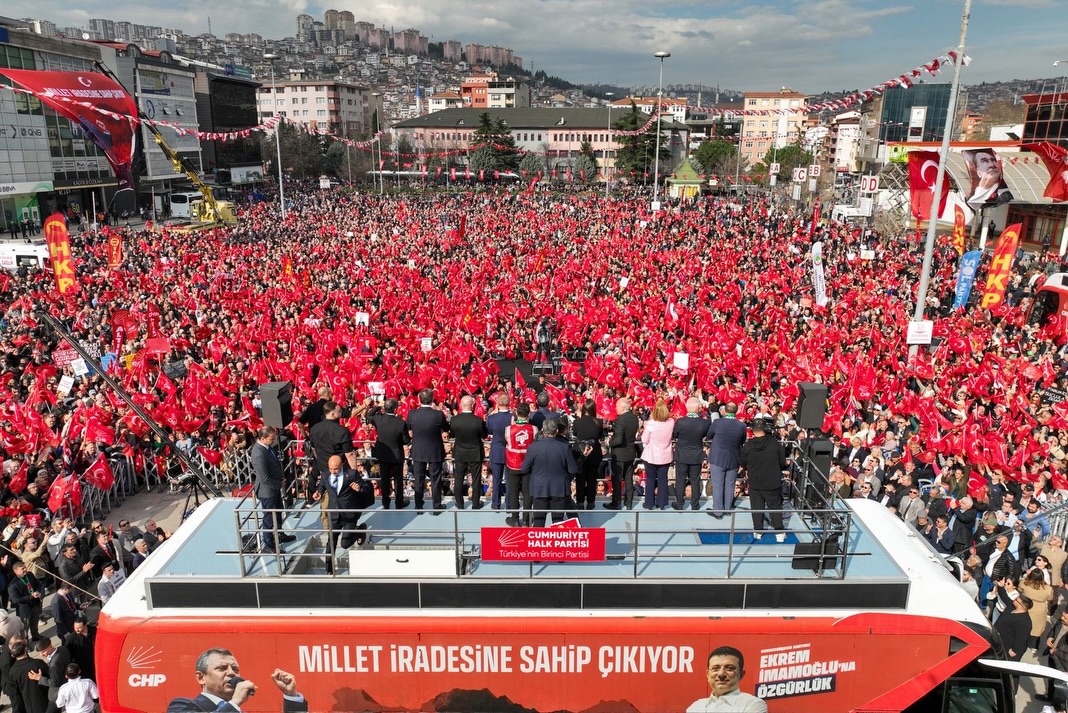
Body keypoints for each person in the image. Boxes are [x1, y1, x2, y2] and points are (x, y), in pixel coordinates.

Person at [166, 647, 308, 712]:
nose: (232, 673)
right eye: (222, 668)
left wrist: (291, 697)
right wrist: (235, 703)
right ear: (201, 677)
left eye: (235, 669)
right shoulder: (181, 706)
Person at [521, 419, 578, 527]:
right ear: (556, 431)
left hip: (539, 488)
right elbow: (573, 469)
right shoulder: (564, 447)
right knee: (558, 522)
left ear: (542, 430)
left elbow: (524, 468)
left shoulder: (533, 447)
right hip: (559, 489)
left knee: (538, 521)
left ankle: (538, 543)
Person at [738, 420, 788, 542]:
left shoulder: (748, 446)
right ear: (765, 429)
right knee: (775, 507)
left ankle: (758, 531)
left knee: (756, 507)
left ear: (752, 430)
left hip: (755, 482)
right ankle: (779, 533)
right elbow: (782, 462)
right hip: (772, 481)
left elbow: (743, 463)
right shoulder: (775, 443)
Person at [313, 455, 368, 558]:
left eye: (336, 469)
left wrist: (359, 488)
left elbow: (366, 487)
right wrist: (319, 493)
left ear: (341, 465)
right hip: (334, 514)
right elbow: (321, 487)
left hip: (349, 514)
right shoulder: (325, 475)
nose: (333, 471)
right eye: (330, 469)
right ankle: (329, 570)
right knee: (331, 542)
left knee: (345, 544)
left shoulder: (351, 474)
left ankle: (360, 530)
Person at [251, 426, 295, 552]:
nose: (274, 441)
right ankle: (269, 544)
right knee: (269, 517)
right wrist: (278, 484)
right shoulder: (259, 453)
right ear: (262, 438)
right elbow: (265, 478)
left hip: (274, 487)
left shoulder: (267, 447)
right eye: (271, 438)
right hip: (267, 491)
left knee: (278, 512)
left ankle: (279, 534)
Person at [686, 645, 767, 712]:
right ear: (707, 674)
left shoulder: (753, 704)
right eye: (715, 668)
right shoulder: (695, 707)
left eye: (729, 668)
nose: (721, 674)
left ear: (741, 674)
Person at [407, 389, 450, 512]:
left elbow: (407, 428)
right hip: (434, 451)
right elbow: (446, 428)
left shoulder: (412, 414)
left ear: (419, 399)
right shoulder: (438, 414)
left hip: (418, 451)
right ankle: (436, 506)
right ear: (432, 400)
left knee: (419, 479)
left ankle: (418, 506)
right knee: (435, 479)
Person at [308, 401, 359, 501]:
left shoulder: (314, 429)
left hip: (324, 469)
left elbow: (314, 449)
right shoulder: (342, 431)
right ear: (332, 414)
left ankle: (328, 515)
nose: (341, 412)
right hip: (341, 470)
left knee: (328, 496)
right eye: (339, 410)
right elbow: (350, 455)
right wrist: (354, 473)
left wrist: (321, 462)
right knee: (343, 497)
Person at [366, 397, 410, 509]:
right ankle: (399, 503)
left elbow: (368, 415)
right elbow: (406, 441)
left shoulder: (379, 419)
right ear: (395, 410)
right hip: (396, 455)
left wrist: (377, 406)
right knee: (398, 480)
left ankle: (386, 503)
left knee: (384, 479)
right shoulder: (401, 423)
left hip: (383, 455)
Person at [706, 403, 747, 517]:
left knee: (718, 484)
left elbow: (709, 435)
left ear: (725, 411)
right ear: (736, 411)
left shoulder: (718, 423)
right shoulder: (742, 426)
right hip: (733, 458)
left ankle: (718, 511)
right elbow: (742, 441)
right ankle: (728, 509)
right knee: (730, 484)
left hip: (718, 458)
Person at [449, 395, 489, 509]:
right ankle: (475, 504)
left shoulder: (454, 420)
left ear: (461, 405)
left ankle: (460, 504)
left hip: (460, 453)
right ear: (472, 406)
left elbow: (452, 434)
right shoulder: (478, 420)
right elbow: (484, 436)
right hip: (475, 453)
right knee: (476, 479)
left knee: (459, 479)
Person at [504, 403, 537, 527]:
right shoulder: (533, 429)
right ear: (528, 414)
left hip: (513, 465)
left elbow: (504, 443)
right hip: (528, 466)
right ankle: (526, 520)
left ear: (516, 413)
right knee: (528, 492)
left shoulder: (508, 429)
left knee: (514, 492)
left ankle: (515, 519)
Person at [673, 397, 709, 511]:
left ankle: (679, 504)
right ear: (698, 408)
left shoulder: (680, 422)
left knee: (680, 481)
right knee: (695, 481)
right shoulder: (704, 423)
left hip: (682, 455)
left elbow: (675, 435)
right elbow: (705, 435)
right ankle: (695, 505)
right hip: (696, 455)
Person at [640, 398, 675, 510]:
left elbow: (644, 440)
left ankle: (649, 504)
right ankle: (662, 503)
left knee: (650, 479)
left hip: (651, 456)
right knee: (663, 479)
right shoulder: (671, 422)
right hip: (665, 455)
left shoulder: (651, 424)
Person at [570, 399, 604, 511]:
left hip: (580, 452)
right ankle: (590, 502)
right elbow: (599, 436)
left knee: (580, 478)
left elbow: (575, 434)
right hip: (594, 453)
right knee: (592, 478)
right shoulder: (598, 422)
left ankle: (579, 502)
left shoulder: (577, 422)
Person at [606, 398, 639, 510]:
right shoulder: (634, 418)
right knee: (629, 479)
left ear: (622, 407)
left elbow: (619, 440)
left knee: (617, 479)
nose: (615, 408)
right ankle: (629, 503)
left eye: (617, 406)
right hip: (630, 452)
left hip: (620, 454)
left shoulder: (620, 420)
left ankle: (616, 503)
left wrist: (609, 442)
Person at [485, 394, 514, 510]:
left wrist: (491, 415)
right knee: (509, 480)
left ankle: (495, 504)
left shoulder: (491, 418)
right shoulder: (513, 417)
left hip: (497, 451)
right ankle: (509, 504)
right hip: (509, 452)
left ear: (497, 403)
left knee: (496, 479)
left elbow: (488, 431)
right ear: (509, 403)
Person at [7, 638, 48, 713]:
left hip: (28, 707)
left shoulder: (13, 672)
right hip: (44, 702)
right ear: (25, 651)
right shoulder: (38, 663)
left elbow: (15, 695)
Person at [1020, 568, 1055, 650]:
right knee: (1037, 628)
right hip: (1040, 609)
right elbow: (1050, 598)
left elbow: (1019, 589)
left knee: (1024, 625)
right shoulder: (1048, 589)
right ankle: (1033, 646)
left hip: (1026, 606)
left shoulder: (1024, 584)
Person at [8, 561, 43, 642]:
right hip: (24, 610)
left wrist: (37, 591)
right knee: (24, 629)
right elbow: (16, 600)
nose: (25, 570)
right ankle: (25, 643)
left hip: (35, 604)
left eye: (25, 567)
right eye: (22, 569)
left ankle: (35, 635)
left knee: (35, 623)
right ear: (16, 571)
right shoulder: (13, 585)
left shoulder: (30, 575)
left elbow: (38, 584)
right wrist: (31, 596)